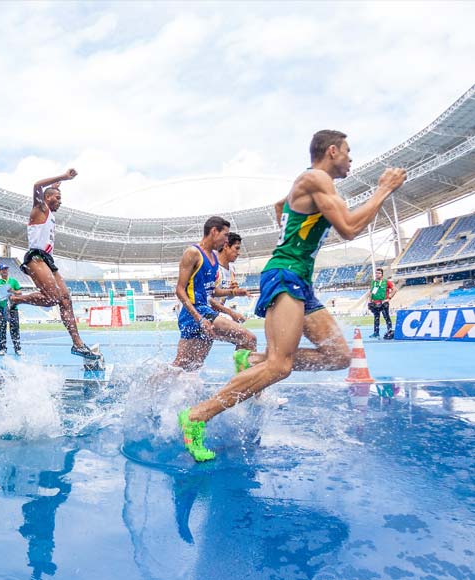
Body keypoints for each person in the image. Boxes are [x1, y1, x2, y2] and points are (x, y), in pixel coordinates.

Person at [178, 129, 406, 461]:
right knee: (280, 366)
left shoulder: (312, 185)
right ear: (331, 151)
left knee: (338, 356)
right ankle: (197, 416)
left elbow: (280, 205)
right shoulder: (316, 178)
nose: (351, 159)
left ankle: (252, 360)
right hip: (286, 275)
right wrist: (383, 189)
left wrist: (292, 231)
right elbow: (349, 228)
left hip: (299, 279)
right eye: (347, 152)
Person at [9, 169, 100, 360]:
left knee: (65, 299)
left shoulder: (49, 212)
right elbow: (37, 185)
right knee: (52, 299)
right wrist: (63, 177)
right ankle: (16, 299)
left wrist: (56, 186)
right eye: (57, 198)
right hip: (36, 257)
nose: (60, 201)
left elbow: (48, 191)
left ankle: (78, 344)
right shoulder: (40, 209)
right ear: (47, 198)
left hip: (48, 260)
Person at [172, 217, 256, 371]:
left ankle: (149, 383)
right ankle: (244, 384)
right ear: (214, 231)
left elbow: (212, 291)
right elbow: (179, 289)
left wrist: (234, 292)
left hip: (203, 312)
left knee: (187, 366)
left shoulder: (213, 258)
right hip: (196, 312)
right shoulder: (193, 253)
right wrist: (200, 318)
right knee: (248, 339)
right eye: (225, 235)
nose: (226, 240)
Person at [0, 263, 22, 356]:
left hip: (13, 308)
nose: (5, 271)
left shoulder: (14, 281)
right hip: (2, 308)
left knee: (15, 329)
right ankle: (2, 349)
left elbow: (20, 293)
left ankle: (17, 349)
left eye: (6, 269)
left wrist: (12, 291)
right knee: (2, 329)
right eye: (3, 269)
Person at [367, 267, 397, 339]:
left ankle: (389, 331)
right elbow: (371, 292)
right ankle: (376, 333)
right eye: (376, 273)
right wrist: (370, 301)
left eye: (379, 273)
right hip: (375, 303)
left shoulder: (386, 282)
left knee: (386, 317)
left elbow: (394, 289)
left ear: (382, 274)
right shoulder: (374, 282)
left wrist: (389, 298)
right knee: (376, 318)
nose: (377, 274)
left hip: (383, 302)